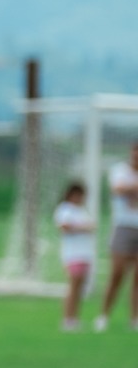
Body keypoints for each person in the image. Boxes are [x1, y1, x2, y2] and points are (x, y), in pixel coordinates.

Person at [96, 139, 138, 332]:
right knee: (117, 274)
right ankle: (103, 315)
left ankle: (134, 319)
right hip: (123, 227)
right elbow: (118, 189)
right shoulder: (120, 170)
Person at [54, 182, 94, 332]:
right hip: (72, 254)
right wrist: (83, 228)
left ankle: (74, 318)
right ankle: (67, 319)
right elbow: (64, 227)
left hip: (84, 253)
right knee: (73, 286)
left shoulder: (81, 210)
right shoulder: (65, 209)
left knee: (79, 288)